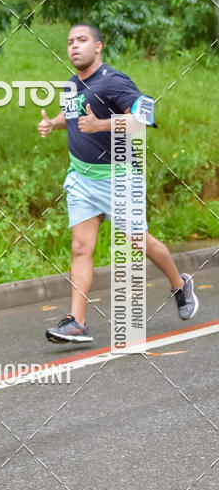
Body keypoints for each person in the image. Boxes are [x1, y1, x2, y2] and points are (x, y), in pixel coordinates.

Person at [38, 24, 198, 344]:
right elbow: (69, 114)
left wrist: (101, 124)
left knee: (139, 241)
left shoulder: (114, 80)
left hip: (119, 177)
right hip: (82, 178)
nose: (74, 46)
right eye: (70, 42)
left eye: (82, 40)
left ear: (99, 46)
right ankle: (76, 323)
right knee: (81, 248)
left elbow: (144, 118)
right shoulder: (72, 85)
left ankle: (180, 284)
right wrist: (51, 123)